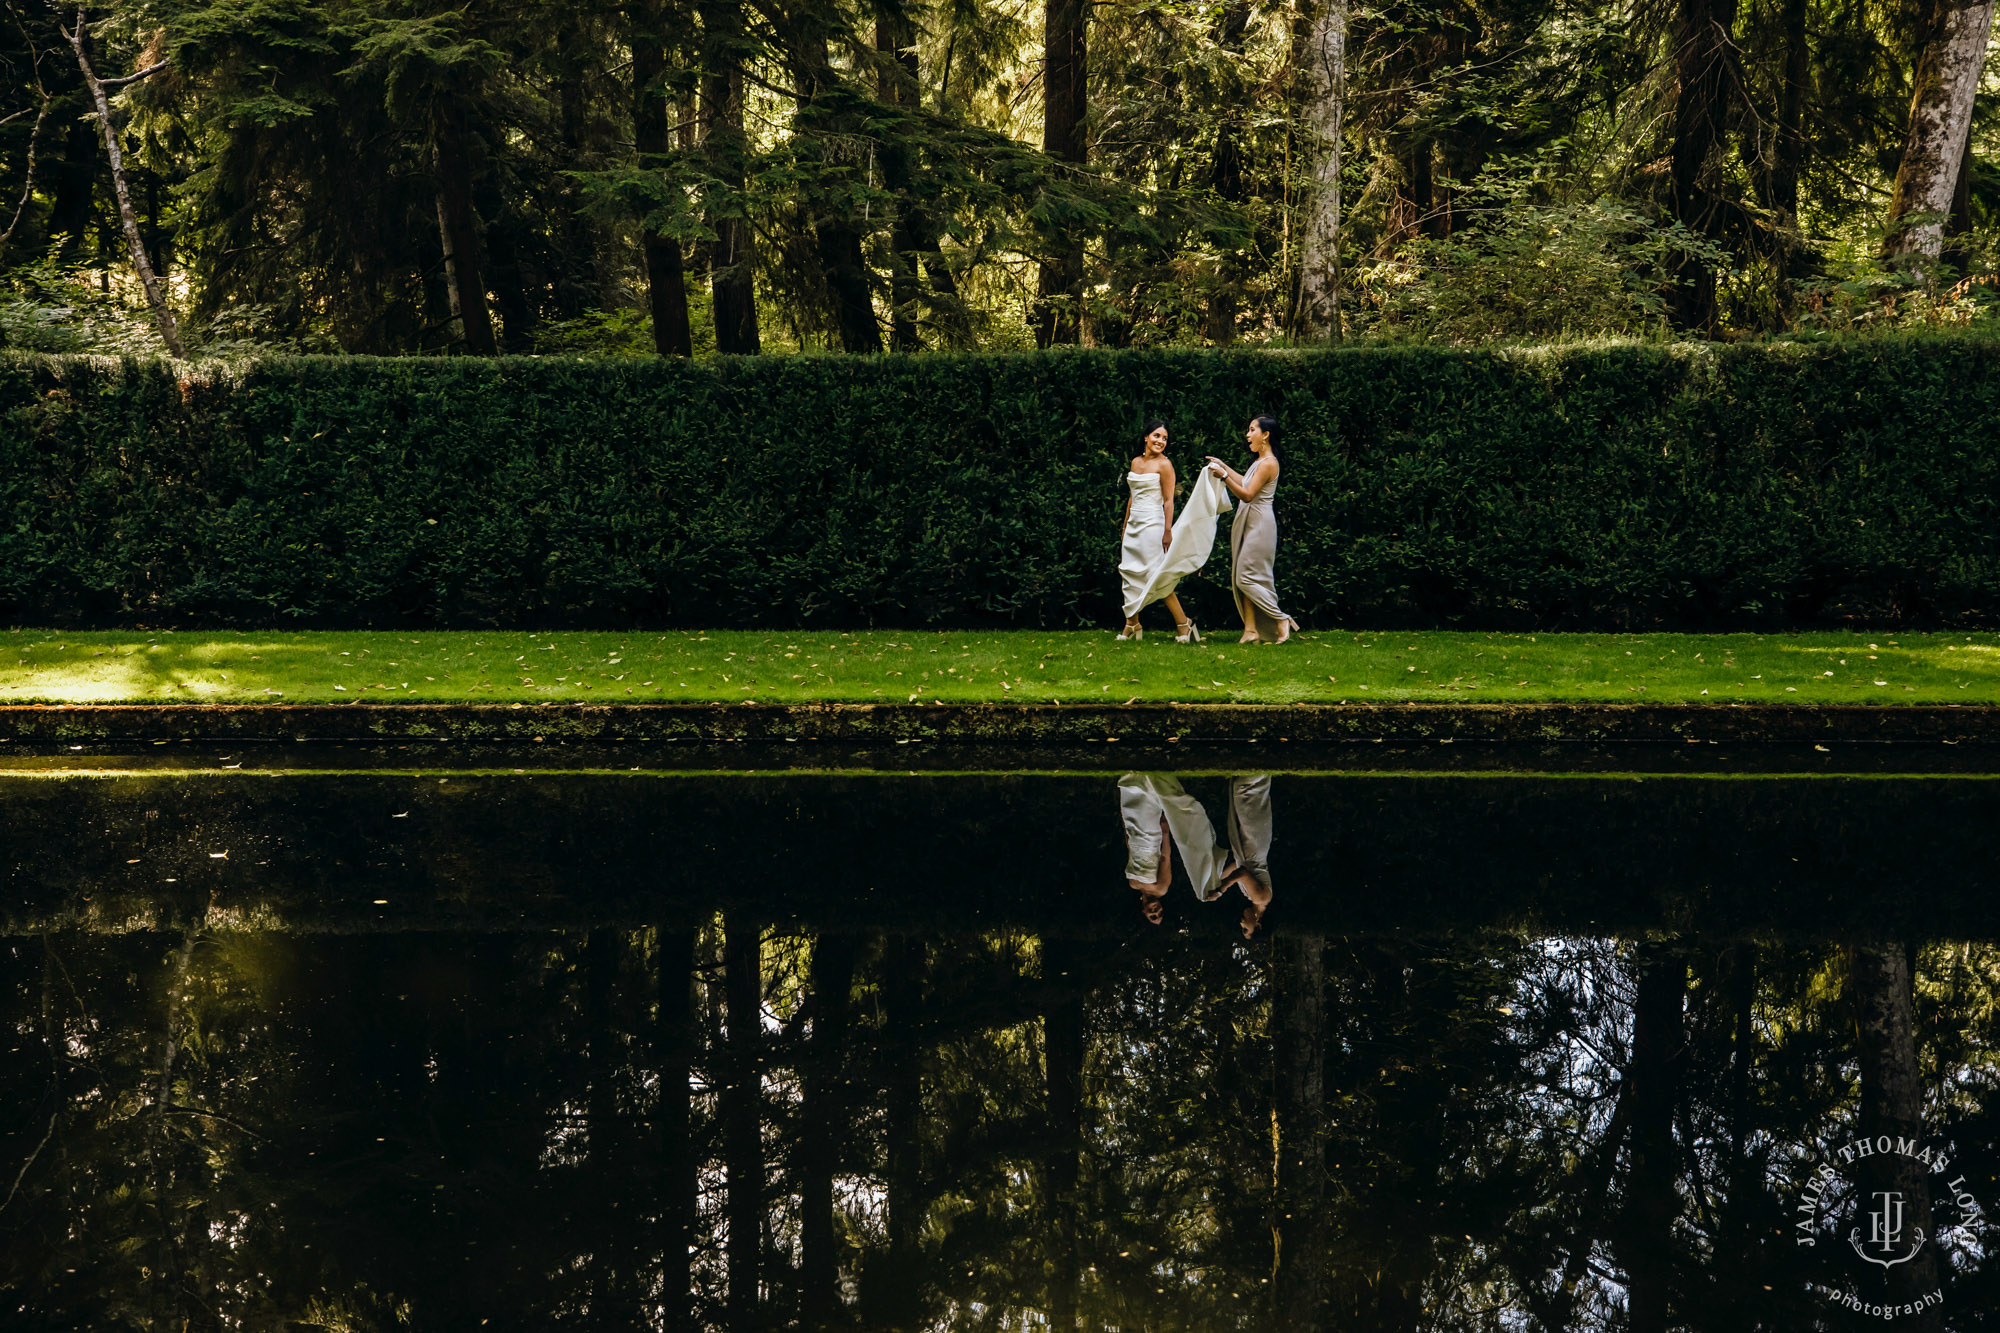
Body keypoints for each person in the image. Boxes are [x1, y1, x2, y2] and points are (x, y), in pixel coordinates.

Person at [1207, 415, 1299, 645]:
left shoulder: (1269, 463)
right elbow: (1245, 483)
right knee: (1247, 574)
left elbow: (1247, 495)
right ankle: (1251, 631)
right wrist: (1223, 466)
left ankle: (1282, 619)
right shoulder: (1259, 462)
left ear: (1265, 435)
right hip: (1250, 522)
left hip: (1260, 524)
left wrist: (1224, 476)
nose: (1247, 435)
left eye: (1251, 430)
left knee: (1246, 578)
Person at [1118, 421, 1200, 643]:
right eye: (1156, 436)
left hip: (1153, 524)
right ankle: (1132, 623)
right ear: (1146, 437)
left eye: (1164, 438)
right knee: (1128, 573)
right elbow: (1132, 497)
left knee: (1156, 575)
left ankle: (1184, 623)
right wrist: (1125, 526)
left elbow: (1168, 500)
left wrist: (1167, 531)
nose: (1160, 441)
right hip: (1134, 524)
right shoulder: (1135, 462)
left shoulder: (1165, 465)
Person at [1118, 773, 1226, 924]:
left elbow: (1130, 852)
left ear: (1144, 912)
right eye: (1160, 913)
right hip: (1150, 838)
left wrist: (1126, 828)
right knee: (1146, 804)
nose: (1156, 912)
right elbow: (1165, 858)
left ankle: (1132, 775)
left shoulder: (1133, 885)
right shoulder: (1161, 889)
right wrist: (1165, 832)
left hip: (1134, 836)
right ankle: (1144, 776)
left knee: (1132, 805)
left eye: (1153, 916)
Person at [1218, 774, 1275, 939]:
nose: (1241, 923)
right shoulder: (1261, 898)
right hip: (1255, 844)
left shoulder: (1250, 897)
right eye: (1245, 929)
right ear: (1258, 924)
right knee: (1247, 798)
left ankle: (1254, 770)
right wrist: (1223, 888)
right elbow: (1242, 873)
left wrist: (1217, 882)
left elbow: (1237, 867)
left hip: (1249, 848)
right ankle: (1260, 769)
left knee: (1242, 799)